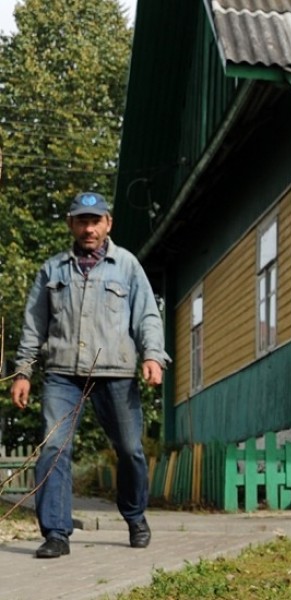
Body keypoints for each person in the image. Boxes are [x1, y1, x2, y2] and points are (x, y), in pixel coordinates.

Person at [10, 191, 168, 559]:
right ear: (71, 224)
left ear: (108, 223)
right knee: (53, 448)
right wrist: (22, 371)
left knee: (130, 450)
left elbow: (147, 316)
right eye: (82, 220)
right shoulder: (52, 270)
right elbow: (33, 325)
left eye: (95, 221)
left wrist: (153, 357)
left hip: (115, 372)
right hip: (63, 375)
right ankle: (56, 534)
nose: (89, 228)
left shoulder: (127, 266)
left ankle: (135, 516)